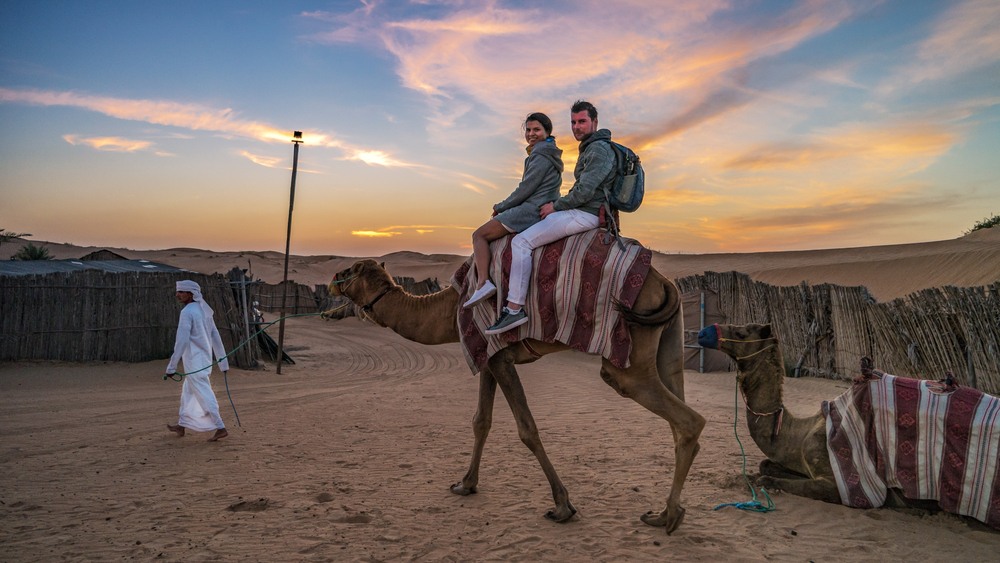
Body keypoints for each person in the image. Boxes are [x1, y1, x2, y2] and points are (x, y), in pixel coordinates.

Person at [485, 100, 615, 335]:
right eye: (574, 122)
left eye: (582, 121)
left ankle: (514, 309)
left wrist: (556, 206)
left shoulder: (598, 150)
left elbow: (584, 192)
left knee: (521, 242)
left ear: (595, 122)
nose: (577, 127)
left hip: (586, 214)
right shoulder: (591, 148)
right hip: (585, 210)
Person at [463, 112, 564, 308]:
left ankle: (483, 283)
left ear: (547, 132)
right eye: (528, 130)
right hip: (539, 205)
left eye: (536, 129)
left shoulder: (541, 155)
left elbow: (526, 188)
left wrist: (501, 206)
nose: (531, 134)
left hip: (530, 209)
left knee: (479, 235)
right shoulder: (548, 153)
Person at [165, 280, 230, 442]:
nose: (177, 295)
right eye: (178, 291)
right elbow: (215, 335)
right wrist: (223, 363)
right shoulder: (204, 310)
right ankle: (182, 424)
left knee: (203, 392)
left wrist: (171, 367)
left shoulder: (188, 312)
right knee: (187, 393)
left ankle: (220, 426)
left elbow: (182, 341)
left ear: (191, 294)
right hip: (203, 359)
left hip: (194, 361)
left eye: (181, 292)